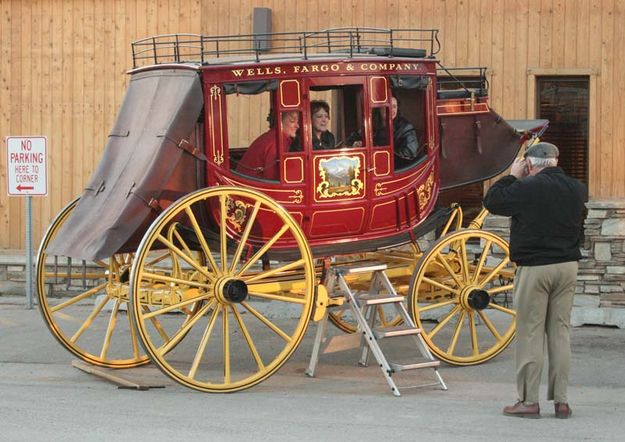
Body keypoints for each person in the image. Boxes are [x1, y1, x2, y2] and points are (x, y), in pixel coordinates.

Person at [483, 142, 586, 420]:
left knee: (530, 333)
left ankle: (529, 401)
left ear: (530, 165)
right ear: (556, 160)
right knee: (560, 333)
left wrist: (512, 176)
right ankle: (562, 402)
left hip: (535, 268)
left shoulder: (526, 187)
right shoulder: (577, 188)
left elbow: (492, 201)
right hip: (567, 266)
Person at [236, 110, 299, 181]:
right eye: (292, 121)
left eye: (297, 122)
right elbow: (272, 178)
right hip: (251, 186)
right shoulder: (277, 141)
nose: (297, 126)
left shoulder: (272, 136)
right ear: (280, 122)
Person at [390, 95, 421, 168]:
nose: (392, 110)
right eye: (388, 106)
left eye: (394, 107)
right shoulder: (375, 125)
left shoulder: (405, 127)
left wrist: (385, 153)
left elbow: (409, 153)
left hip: (398, 169)